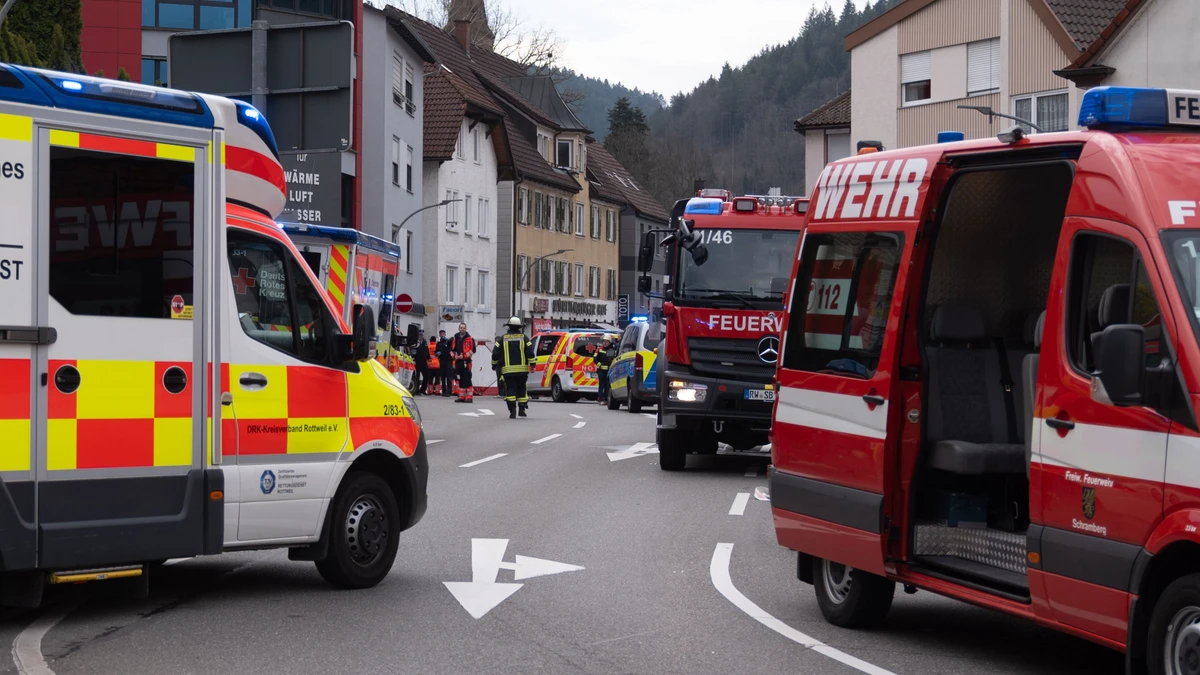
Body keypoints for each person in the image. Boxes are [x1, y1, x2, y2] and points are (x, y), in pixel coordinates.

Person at [493, 316, 535, 419]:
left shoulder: (502, 339)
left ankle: (512, 410)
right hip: (522, 371)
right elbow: (530, 352)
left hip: (508, 371)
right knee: (521, 388)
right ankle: (522, 409)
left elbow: (495, 354)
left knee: (511, 390)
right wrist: (532, 364)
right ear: (519, 327)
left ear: (509, 326)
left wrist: (494, 364)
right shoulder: (524, 338)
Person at [450, 322, 475, 403]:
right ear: (459, 328)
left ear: (466, 329)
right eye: (461, 328)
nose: (462, 329)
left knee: (467, 378)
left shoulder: (470, 339)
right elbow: (451, 350)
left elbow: (473, 350)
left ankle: (469, 397)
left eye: (464, 328)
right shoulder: (455, 338)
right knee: (459, 379)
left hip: (466, 362)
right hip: (458, 362)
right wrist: (454, 356)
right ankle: (462, 396)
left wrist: (464, 356)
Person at [594, 338, 613, 405]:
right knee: (601, 384)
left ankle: (606, 399)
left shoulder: (611, 350)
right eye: (604, 341)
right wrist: (599, 364)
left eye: (607, 342)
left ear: (609, 343)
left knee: (607, 385)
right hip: (601, 370)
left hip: (608, 370)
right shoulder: (599, 349)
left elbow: (612, 359)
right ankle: (600, 398)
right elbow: (595, 358)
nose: (605, 343)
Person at [437, 329, 454, 397]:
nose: (442, 335)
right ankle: (444, 391)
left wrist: (447, 339)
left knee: (448, 376)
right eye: (441, 334)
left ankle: (449, 391)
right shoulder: (439, 343)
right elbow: (437, 350)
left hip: (448, 361)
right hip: (442, 360)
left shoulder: (447, 342)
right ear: (439, 335)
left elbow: (451, 340)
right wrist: (437, 353)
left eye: (443, 333)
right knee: (443, 377)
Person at [412, 330, 429, 395]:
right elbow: (412, 351)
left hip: (424, 361)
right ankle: (417, 390)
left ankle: (423, 390)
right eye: (420, 335)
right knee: (417, 376)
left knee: (426, 376)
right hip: (417, 361)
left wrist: (428, 358)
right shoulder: (415, 342)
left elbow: (426, 351)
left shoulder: (424, 342)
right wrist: (413, 359)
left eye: (422, 335)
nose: (421, 336)